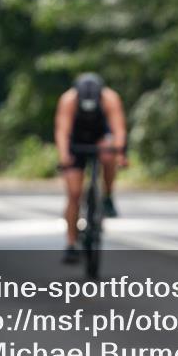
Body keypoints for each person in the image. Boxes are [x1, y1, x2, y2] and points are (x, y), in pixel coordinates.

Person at [55, 72, 128, 264]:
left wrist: (120, 154)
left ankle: (107, 196)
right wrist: (64, 157)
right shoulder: (68, 100)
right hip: (76, 141)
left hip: (100, 137)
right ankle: (71, 244)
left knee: (108, 153)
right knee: (74, 193)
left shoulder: (110, 98)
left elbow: (118, 129)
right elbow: (62, 131)